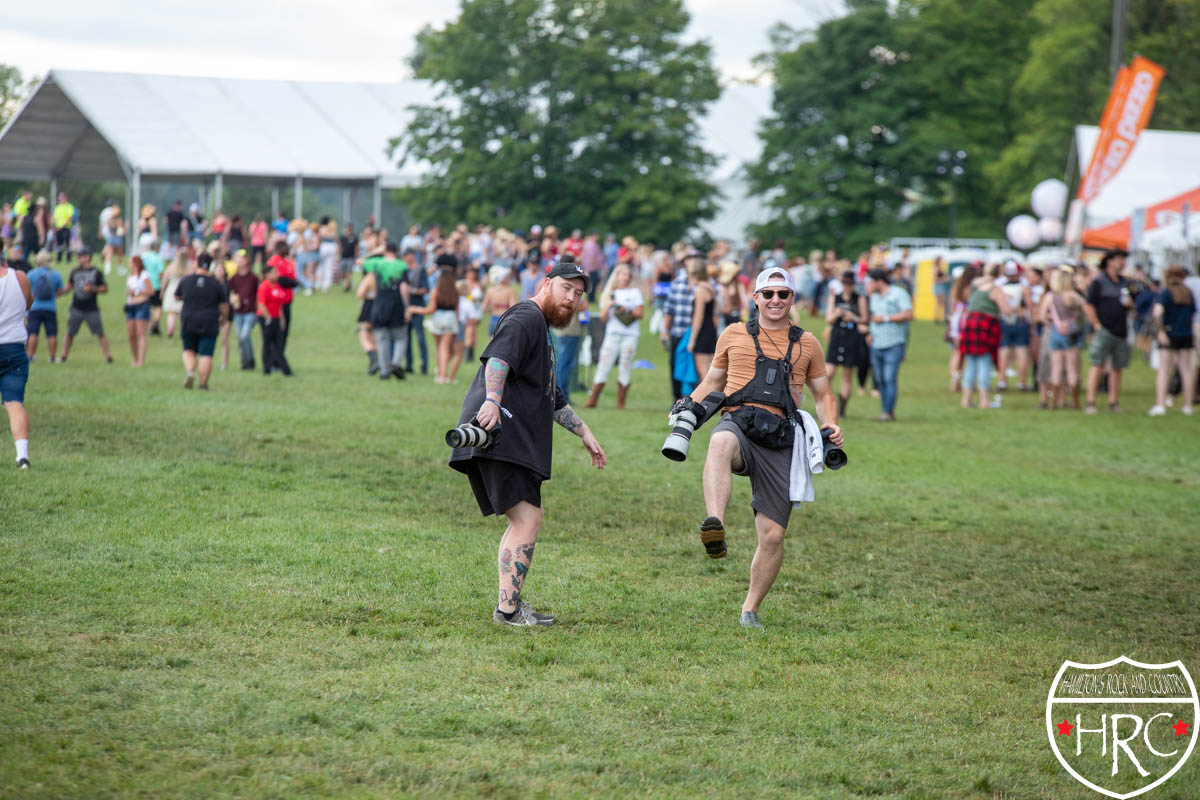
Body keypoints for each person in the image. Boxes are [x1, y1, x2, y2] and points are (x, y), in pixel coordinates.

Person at [448, 258, 607, 627]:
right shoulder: (526, 317)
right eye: (566, 289)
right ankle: (507, 611)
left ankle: (510, 604)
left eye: (578, 294)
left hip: (511, 434)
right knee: (527, 518)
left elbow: (550, 392)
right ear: (546, 283)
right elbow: (498, 360)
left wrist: (583, 431)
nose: (571, 299)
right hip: (500, 430)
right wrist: (492, 400)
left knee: (526, 518)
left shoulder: (540, 326)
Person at [682, 267, 842, 627]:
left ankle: (750, 608)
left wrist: (831, 424)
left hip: (783, 435)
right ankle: (715, 524)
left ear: (792, 299)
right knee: (719, 441)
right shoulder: (733, 334)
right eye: (767, 294)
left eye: (783, 294)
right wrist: (688, 406)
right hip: (738, 422)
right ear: (755, 298)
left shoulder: (807, 343)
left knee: (773, 536)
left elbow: (823, 394)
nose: (775, 300)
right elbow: (714, 380)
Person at [585, 263, 644, 409]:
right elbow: (603, 318)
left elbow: (640, 313)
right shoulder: (609, 293)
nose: (625, 278)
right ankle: (593, 399)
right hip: (613, 333)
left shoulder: (634, 293)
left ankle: (620, 402)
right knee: (604, 364)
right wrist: (609, 306)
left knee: (625, 365)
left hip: (630, 334)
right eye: (623, 274)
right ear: (616, 276)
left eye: (628, 275)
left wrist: (626, 310)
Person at [1084, 250, 1134, 414]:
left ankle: (1113, 402)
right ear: (1109, 261)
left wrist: (1130, 305)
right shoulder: (1098, 282)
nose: (1122, 263)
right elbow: (1089, 304)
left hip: (1121, 329)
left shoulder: (1125, 282)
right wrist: (1096, 324)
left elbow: (1133, 305)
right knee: (1097, 364)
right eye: (1119, 259)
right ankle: (1091, 402)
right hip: (1104, 329)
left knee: (1117, 367)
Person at [175, 253, 229, 390]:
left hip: (189, 319)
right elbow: (224, 305)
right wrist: (224, 318)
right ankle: (203, 384)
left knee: (188, 350)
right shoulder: (216, 283)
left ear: (196, 263)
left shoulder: (186, 280)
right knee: (206, 353)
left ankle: (190, 371)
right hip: (209, 320)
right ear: (210, 266)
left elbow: (177, 296)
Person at [358, 241, 410, 380]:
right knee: (400, 337)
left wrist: (375, 252)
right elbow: (404, 287)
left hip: (379, 304)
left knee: (382, 339)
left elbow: (359, 261)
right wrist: (407, 307)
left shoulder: (377, 263)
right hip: (396, 304)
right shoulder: (402, 265)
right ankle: (396, 363)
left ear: (385, 251)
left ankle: (384, 370)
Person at [1148, 266, 1196, 416]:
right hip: (1186, 334)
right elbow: (1192, 315)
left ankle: (1160, 404)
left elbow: (1157, 313)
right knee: (1186, 370)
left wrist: (1160, 331)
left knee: (1164, 369)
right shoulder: (1188, 293)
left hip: (1169, 334)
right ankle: (1188, 405)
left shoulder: (1165, 293)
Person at [866, 269, 913, 421]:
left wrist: (886, 318)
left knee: (889, 378)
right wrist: (870, 333)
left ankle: (887, 412)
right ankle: (886, 410)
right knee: (879, 379)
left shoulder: (898, 293)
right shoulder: (874, 297)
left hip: (894, 343)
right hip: (877, 343)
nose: (869, 285)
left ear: (879, 281)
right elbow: (874, 318)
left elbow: (909, 314)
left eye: (871, 282)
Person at [0, 252, 33, 468]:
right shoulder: (20, 277)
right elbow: (28, 304)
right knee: (14, 403)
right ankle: (22, 457)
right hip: (13, 347)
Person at [408, 255, 461, 383]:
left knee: (440, 347)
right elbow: (457, 311)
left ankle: (440, 375)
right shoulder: (455, 291)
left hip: (438, 318)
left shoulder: (436, 291)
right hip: (451, 319)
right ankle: (442, 373)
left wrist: (415, 309)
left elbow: (430, 309)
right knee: (445, 347)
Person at [825, 269, 869, 417]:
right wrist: (838, 313)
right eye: (844, 283)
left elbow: (864, 319)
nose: (847, 287)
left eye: (849, 284)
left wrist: (852, 317)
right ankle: (827, 403)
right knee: (828, 372)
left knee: (847, 373)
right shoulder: (835, 298)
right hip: (837, 336)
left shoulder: (859, 299)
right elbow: (829, 318)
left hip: (851, 337)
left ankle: (842, 408)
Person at [60, 248, 113, 364]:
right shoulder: (75, 271)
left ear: (88, 257)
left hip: (91, 308)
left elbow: (105, 288)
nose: (78, 258)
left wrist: (93, 289)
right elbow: (69, 286)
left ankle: (108, 356)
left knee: (100, 332)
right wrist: (61, 292)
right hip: (76, 307)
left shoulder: (96, 272)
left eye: (81, 256)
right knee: (70, 332)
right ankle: (63, 355)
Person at [661, 257, 697, 400]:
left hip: (698, 334)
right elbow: (669, 310)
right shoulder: (677, 283)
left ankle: (695, 399)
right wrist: (664, 331)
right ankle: (676, 398)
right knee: (675, 365)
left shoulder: (706, 284)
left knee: (696, 368)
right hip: (678, 331)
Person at [996, 261, 1034, 392]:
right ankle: (1021, 383)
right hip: (1020, 320)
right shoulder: (1024, 287)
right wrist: (1032, 323)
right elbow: (1029, 306)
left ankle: (1002, 381)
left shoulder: (1000, 287)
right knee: (1021, 351)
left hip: (1004, 320)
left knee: (1004, 351)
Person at [25, 251, 66, 363]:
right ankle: (52, 357)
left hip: (34, 307)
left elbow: (27, 290)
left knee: (33, 332)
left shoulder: (31, 274)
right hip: (50, 308)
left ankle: (31, 355)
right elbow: (60, 291)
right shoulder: (56, 275)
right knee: (51, 333)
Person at [257, 263, 292, 376]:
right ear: (267, 275)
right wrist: (269, 319)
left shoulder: (277, 286)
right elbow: (261, 304)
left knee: (279, 344)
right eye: (274, 272)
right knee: (267, 344)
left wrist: (282, 319)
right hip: (266, 319)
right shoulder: (264, 286)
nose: (277, 274)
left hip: (276, 318)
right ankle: (267, 369)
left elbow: (279, 305)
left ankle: (285, 369)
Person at [227, 252, 260, 371]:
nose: (239, 262)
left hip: (250, 311)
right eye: (237, 260)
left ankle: (250, 360)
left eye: (241, 259)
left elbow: (258, 294)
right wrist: (232, 299)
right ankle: (245, 362)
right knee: (240, 337)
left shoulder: (254, 278)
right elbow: (231, 292)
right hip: (238, 312)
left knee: (244, 335)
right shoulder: (234, 278)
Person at [124, 255, 154, 367]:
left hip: (142, 305)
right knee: (131, 334)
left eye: (130, 262)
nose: (129, 264)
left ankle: (141, 360)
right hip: (131, 305)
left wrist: (136, 292)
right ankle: (134, 359)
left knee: (140, 334)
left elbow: (150, 291)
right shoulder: (130, 276)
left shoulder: (144, 275)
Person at [403, 249, 428, 375]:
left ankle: (424, 365)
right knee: (406, 338)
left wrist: (412, 290)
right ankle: (408, 365)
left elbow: (425, 289)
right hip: (406, 308)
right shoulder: (404, 270)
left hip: (418, 307)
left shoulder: (420, 270)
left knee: (420, 337)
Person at [51, 193, 75, 263]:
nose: (61, 200)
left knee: (67, 243)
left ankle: (68, 258)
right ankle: (59, 258)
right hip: (58, 228)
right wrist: (53, 226)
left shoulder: (69, 206)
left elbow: (69, 218)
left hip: (66, 228)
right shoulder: (57, 207)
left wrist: (62, 226)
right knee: (59, 243)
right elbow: (54, 218)